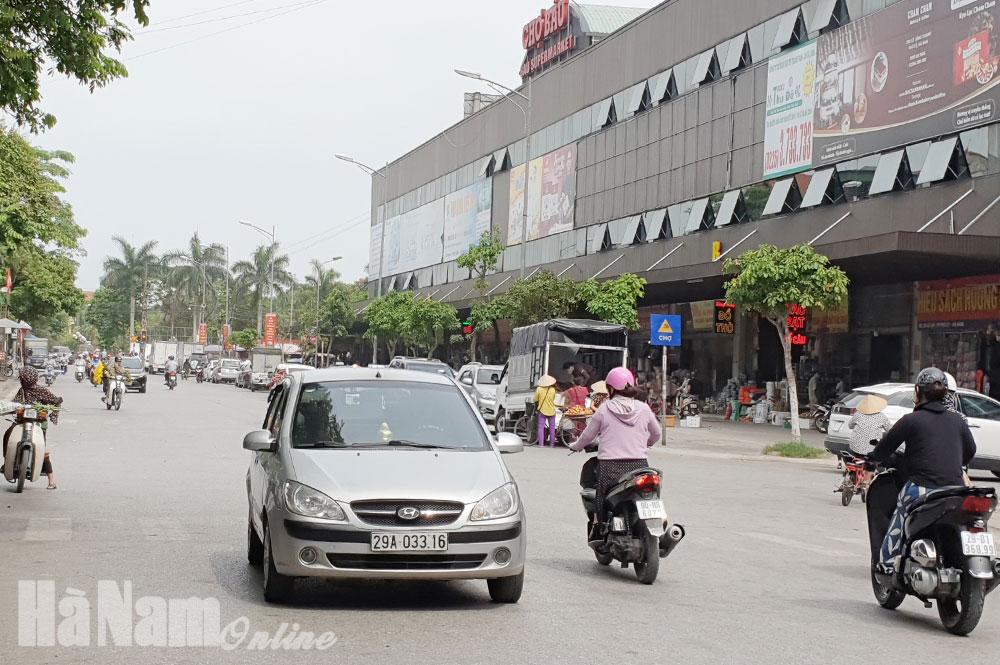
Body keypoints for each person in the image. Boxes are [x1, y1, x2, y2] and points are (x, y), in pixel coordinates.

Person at [868, 367, 977, 575]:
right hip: (956, 489)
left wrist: (873, 457)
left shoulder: (911, 420)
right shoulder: (958, 421)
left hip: (922, 488)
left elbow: (883, 450)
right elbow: (970, 452)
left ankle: (887, 565)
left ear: (918, 392)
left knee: (900, 514)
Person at [569, 367, 661, 539]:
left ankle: (599, 527)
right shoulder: (643, 408)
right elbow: (656, 434)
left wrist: (575, 446)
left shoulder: (604, 409)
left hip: (610, 467)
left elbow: (587, 436)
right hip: (639, 466)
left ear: (610, 388)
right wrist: (647, 443)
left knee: (601, 498)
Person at [8, 367, 62, 489]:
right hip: (21, 423)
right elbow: (14, 403)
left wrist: (53, 414)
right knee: (8, 434)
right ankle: (7, 460)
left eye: (24, 379)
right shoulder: (21, 391)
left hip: (39, 424)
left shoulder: (41, 391)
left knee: (42, 448)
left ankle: (51, 480)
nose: (23, 381)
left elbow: (56, 401)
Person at [534, 375, 558, 447]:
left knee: (541, 427)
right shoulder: (553, 390)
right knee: (552, 428)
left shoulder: (539, 389)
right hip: (552, 410)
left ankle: (541, 444)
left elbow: (536, 399)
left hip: (542, 410)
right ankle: (552, 444)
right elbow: (554, 399)